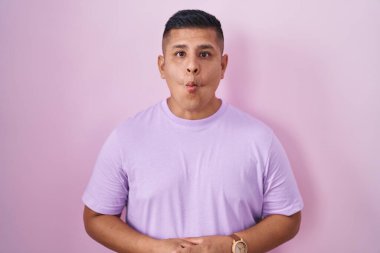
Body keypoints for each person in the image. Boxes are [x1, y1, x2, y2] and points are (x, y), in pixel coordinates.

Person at [82, 9, 303, 253]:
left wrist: (232, 246)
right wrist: (153, 249)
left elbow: (288, 217)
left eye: (205, 54)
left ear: (223, 65)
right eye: (180, 53)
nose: (192, 66)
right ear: (162, 65)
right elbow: (96, 217)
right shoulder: (127, 137)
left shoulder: (259, 139)